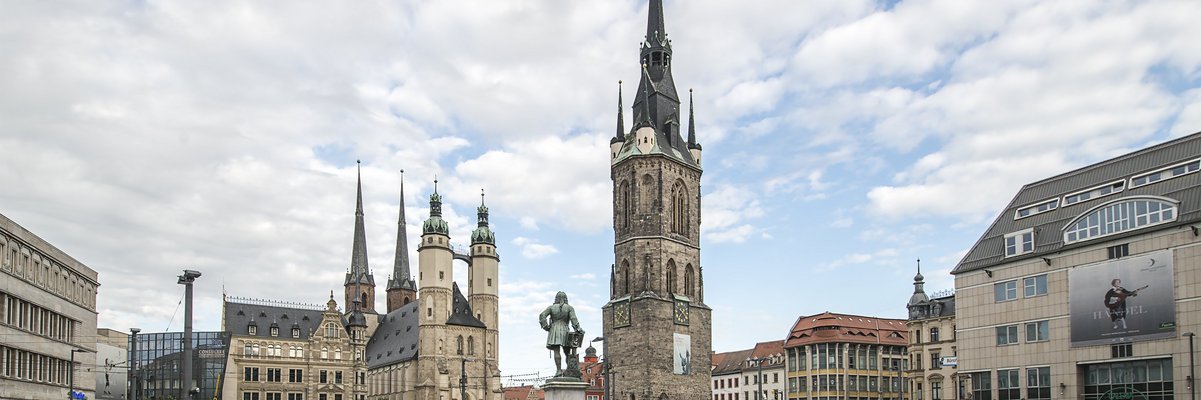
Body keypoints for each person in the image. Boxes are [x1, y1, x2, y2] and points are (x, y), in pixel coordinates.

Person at [539, 291, 584, 376]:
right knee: (567, 352)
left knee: (556, 351)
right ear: (566, 298)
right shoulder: (569, 308)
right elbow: (573, 319)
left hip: (554, 329)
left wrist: (546, 327)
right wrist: (578, 329)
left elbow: (542, 315)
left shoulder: (551, 307)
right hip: (565, 330)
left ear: (556, 298)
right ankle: (570, 371)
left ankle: (559, 370)